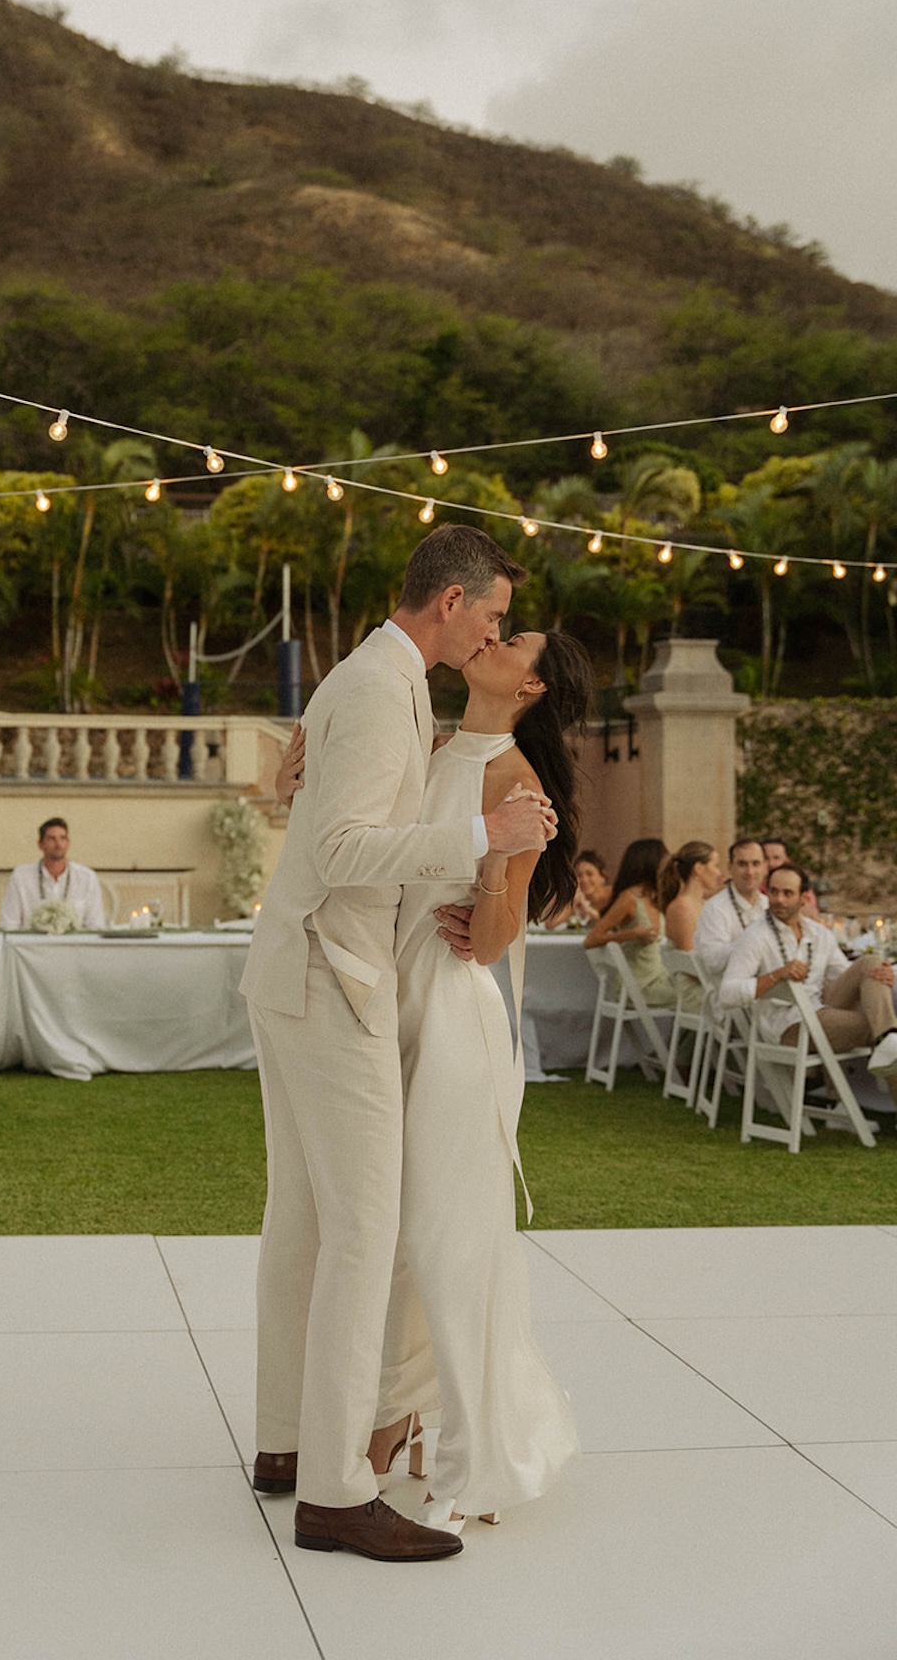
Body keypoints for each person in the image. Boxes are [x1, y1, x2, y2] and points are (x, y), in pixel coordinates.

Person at [241, 523, 556, 1564]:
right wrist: (485, 838)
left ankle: (288, 1442)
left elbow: (346, 802)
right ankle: (334, 1489)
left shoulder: (376, 679)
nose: (497, 631)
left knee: (301, 1218)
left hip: (301, 971)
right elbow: (337, 850)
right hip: (335, 977)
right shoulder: (384, 688)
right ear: (453, 603)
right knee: (362, 1233)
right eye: (496, 615)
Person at [387, 627, 590, 1533]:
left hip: (458, 1017)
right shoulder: (434, 746)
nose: (491, 640)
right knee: (396, 1228)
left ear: (531, 683)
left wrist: (496, 893)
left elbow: (498, 939)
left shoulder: (518, 783)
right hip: (393, 997)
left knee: (449, 1237)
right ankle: (407, 1413)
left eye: (512, 641)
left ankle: (472, 1460)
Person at [719, 863, 897, 1081]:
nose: (779, 900)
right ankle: (887, 1038)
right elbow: (727, 993)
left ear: (803, 897)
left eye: (787, 893)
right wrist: (776, 975)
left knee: (872, 963)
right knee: (886, 1030)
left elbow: (844, 975)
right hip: (788, 1026)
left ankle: (888, 1039)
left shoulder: (818, 933)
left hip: (822, 1007)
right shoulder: (755, 936)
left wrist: (884, 975)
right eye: (773, 892)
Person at [583, 836, 673, 1005]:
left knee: (697, 993)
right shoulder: (629, 898)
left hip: (658, 977)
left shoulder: (654, 897)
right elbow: (591, 940)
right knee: (695, 999)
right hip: (638, 985)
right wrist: (631, 934)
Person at [0, 818, 105, 929]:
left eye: (63, 838)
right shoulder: (21, 877)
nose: (58, 844)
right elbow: (9, 923)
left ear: (68, 843)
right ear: (40, 844)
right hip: (32, 944)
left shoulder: (86, 877)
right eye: (51, 839)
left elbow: (95, 923)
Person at [693, 835, 767, 985]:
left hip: (768, 993)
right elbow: (712, 961)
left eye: (756, 864)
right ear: (730, 868)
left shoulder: (769, 904)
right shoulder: (715, 908)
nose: (750, 871)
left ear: (765, 867)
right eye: (742, 864)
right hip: (731, 999)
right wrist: (753, 942)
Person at [659, 841, 726, 952]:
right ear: (698, 868)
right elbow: (689, 957)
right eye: (716, 866)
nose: (719, 873)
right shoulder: (681, 908)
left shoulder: (704, 903)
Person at [762, 836, 818, 912]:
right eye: (766, 858)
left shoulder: (799, 888)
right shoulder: (753, 888)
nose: (771, 863)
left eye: (776, 858)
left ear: (787, 860)